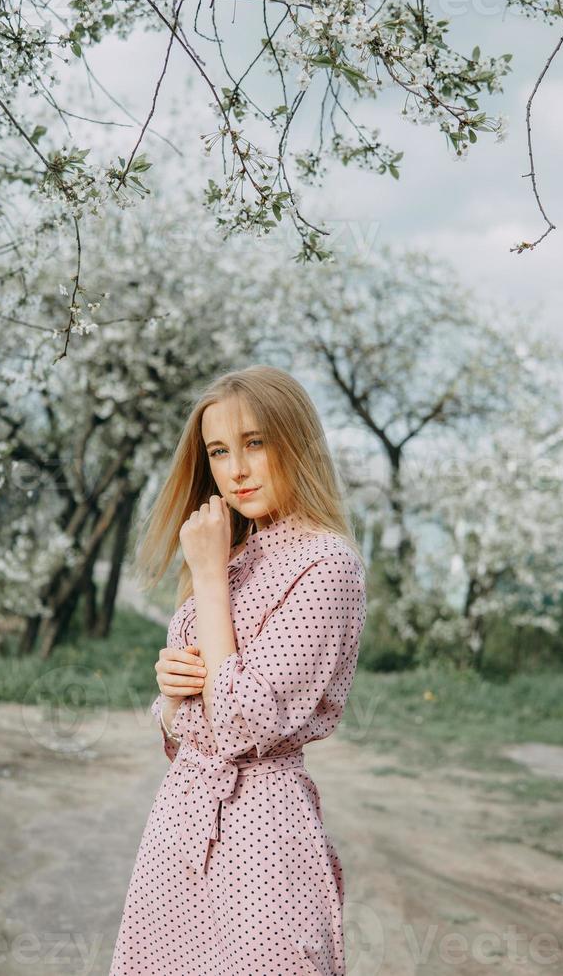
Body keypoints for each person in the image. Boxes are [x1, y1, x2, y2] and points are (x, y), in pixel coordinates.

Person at [109, 364, 367, 976]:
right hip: (179, 821)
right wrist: (170, 697)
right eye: (219, 451)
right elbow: (184, 734)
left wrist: (206, 578)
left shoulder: (325, 565)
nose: (237, 469)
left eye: (255, 443)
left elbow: (244, 726)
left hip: (262, 830)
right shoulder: (234, 550)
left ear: (295, 442)